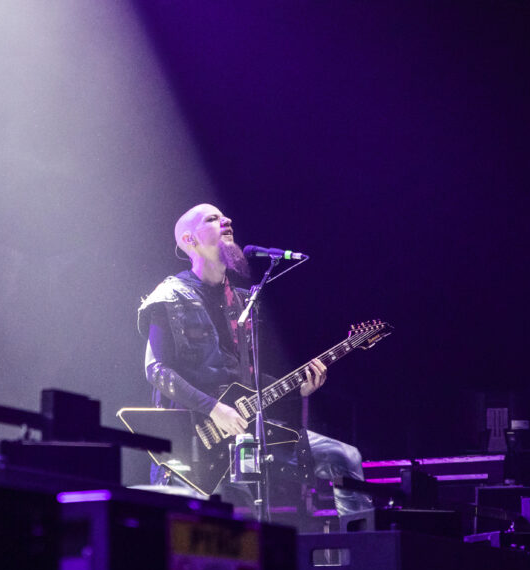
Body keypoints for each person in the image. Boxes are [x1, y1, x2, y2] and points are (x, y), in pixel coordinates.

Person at [136, 202, 372, 519]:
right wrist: (213, 408)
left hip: (245, 432)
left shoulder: (244, 302)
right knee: (210, 528)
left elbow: (246, 378)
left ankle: (361, 552)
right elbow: (156, 370)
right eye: (213, 218)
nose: (227, 219)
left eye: (224, 215)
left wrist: (297, 389)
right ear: (189, 241)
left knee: (345, 457)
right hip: (191, 443)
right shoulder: (169, 295)